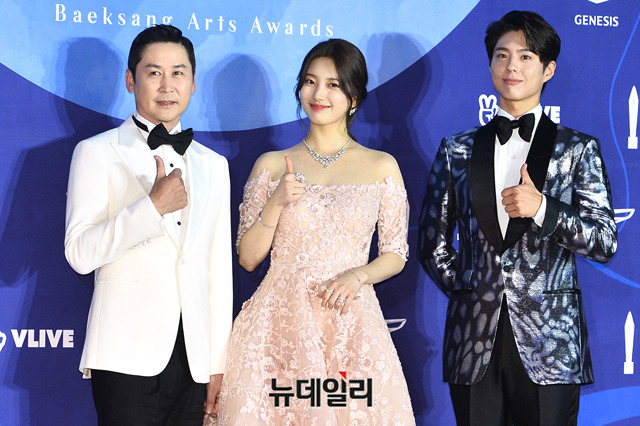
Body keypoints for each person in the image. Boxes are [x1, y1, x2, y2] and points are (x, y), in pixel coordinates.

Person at [418, 10, 617, 426]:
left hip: (551, 344)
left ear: (548, 69)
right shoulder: (456, 150)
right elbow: (432, 244)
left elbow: (603, 241)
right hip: (473, 340)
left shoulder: (578, 149)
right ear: (490, 63)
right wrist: (473, 288)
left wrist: (543, 208)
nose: (512, 66)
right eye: (502, 55)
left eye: (526, 56)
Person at [209, 39, 415, 425]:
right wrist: (276, 202)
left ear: (354, 97)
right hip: (278, 328)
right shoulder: (271, 165)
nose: (319, 94)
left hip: (349, 324)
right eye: (310, 81)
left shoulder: (381, 166)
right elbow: (248, 258)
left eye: (333, 85)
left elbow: (395, 253)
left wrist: (359, 276)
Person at [64, 25, 233, 425]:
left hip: (193, 359)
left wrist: (217, 363)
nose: (167, 85)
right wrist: (151, 208)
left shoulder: (215, 166)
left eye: (178, 73)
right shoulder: (96, 152)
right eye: (154, 72)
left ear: (193, 83)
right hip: (124, 351)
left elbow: (217, 271)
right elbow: (79, 253)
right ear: (131, 80)